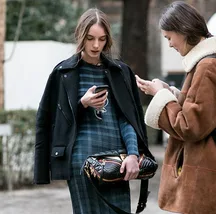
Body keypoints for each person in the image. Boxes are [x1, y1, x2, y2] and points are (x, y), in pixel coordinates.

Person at [34, 8, 151, 214]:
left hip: (117, 162)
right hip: (81, 162)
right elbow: (48, 121)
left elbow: (128, 120)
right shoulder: (63, 73)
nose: (96, 45)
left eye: (102, 39)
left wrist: (133, 154)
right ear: (81, 36)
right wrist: (82, 104)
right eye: (90, 38)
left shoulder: (120, 72)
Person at [136, 1, 216, 214]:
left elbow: (191, 125)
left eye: (169, 37)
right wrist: (168, 92)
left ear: (183, 30)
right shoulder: (207, 63)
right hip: (205, 179)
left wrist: (162, 96)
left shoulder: (208, 66)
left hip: (204, 182)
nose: (170, 44)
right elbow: (204, 110)